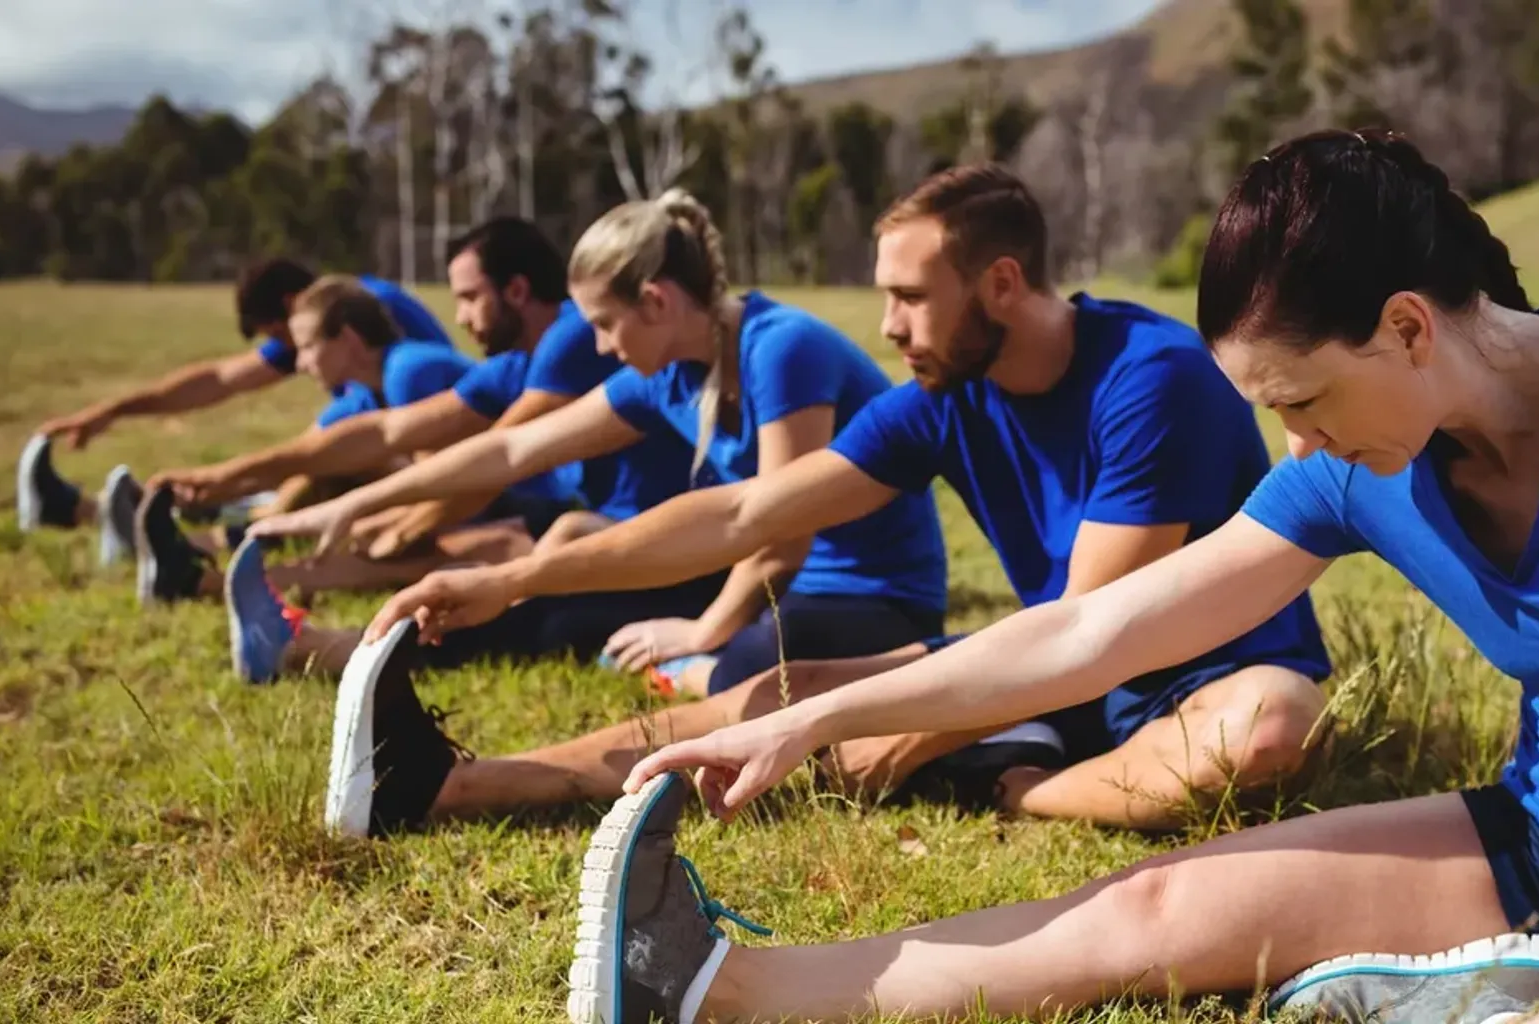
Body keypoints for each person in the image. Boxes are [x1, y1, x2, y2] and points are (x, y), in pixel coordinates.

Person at [547, 129, 1539, 1024]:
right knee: (1156, 910)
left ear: (1406, 327)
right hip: (1534, 848)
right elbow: (1096, 633)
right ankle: (729, 991)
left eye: (1302, 399)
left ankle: (1529, 1012)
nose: (1292, 441)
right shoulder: (1360, 461)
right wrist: (807, 717)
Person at [325, 164, 1335, 839]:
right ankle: (452, 783)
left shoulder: (1144, 377)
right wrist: (515, 575)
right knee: (784, 686)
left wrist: (915, 723)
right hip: (1050, 672)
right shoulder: (945, 395)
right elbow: (742, 515)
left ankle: (1025, 788)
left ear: (1000, 282)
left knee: (1268, 732)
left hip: (1178, 682)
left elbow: (1087, 637)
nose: (887, 325)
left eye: (908, 296)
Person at [227, 189, 950, 702]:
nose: (599, 345)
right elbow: (515, 451)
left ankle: (703, 666)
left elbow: (780, 534)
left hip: (869, 598)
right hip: (755, 579)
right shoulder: (666, 372)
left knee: (743, 671)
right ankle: (345, 647)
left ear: (657, 302)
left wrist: (701, 630)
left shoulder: (778, 349)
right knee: (563, 582)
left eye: (605, 324)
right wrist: (356, 503)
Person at [14, 258, 451, 550]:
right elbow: (220, 380)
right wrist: (113, 409)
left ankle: (157, 530)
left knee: (305, 464)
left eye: (281, 339)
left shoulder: (363, 327)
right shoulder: (328, 332)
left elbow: (396, 446)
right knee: (294, 469)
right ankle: (124, 515)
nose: (293, 360)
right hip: (399, 457)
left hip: (425, 463)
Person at [132, 274, 482, 605]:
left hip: (504, 510)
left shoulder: (410, 373)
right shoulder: (365, 394)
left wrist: (378, 525)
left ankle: (205, 580)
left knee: (404, 545)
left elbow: (454, 489)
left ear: (348, 340)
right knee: (336, 479)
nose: (300, 363)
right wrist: (217, 480)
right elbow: (304, 456)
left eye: (308, 347)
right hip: (474, 503)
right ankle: (198, 561)